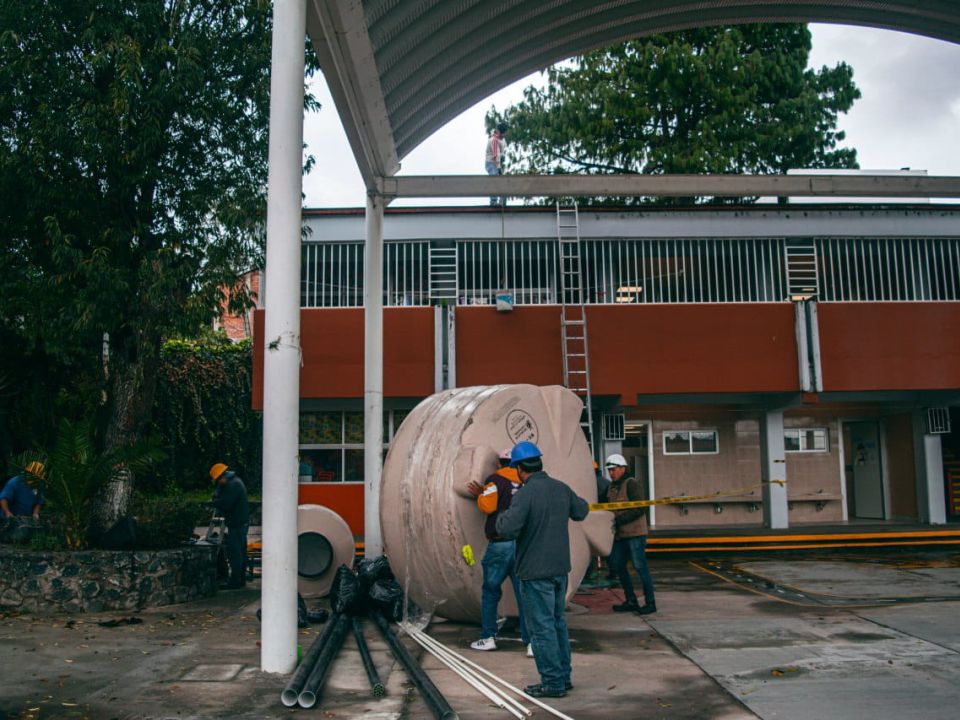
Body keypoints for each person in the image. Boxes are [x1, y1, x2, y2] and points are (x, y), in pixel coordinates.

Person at [495, 441, 589, 699]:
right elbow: (582, 511)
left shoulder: (525, 494)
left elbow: (506, 528)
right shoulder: (561, 488)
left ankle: (552, 683)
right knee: (557, 623)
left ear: (518, 468)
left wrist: (503, 511)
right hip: (560, 569)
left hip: (535, 572)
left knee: (542, 628)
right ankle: (563, 677)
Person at [466, 448, 532, 657]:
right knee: (525, 594)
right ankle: (531, 642)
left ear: (500, 463)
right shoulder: (527, 484)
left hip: (500, 544)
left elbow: (488, 506)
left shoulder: (496, 480)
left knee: (491, 591)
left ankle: (488, 637)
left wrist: (480, 494)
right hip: (522, 545)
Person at [605, 453, 656, 615]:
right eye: (610, 470)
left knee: (640, 567)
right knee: (618, 566)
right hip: (620, 535)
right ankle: (631, 600)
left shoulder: (631, 484)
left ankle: (650, 603)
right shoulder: (611, 487)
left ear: (622, 468)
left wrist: (620, 519)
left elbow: (640, 507)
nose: (611, 473)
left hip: (635, 534)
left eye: (613, 470)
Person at [210, 463, 250, 589]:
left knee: (235, 553)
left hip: (237, 523)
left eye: (218, 480)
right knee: (241, 552)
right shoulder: (235, 482)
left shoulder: (232, 486)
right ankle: (240, 579)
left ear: (222, 477)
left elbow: (226, 504)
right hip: (240, 521)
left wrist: (215, 502)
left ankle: (235, 581)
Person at [484, 122, 508, 206]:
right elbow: (495, 156)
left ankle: (503, 200)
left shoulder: (502, 140)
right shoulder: (493, 140)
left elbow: (500, 152)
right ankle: (493, 201)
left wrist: (502, 157)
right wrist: (498, 166)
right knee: (494, 178)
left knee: (501, 180)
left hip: (497, 162)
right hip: (491, 162)